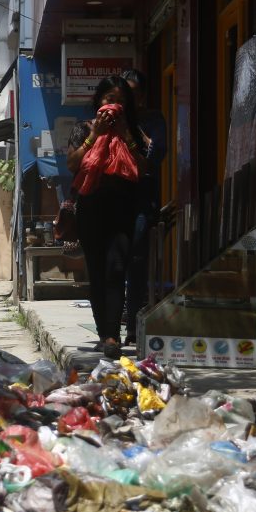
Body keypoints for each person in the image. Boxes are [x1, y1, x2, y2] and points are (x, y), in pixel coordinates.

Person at [66, 75, 150, 358]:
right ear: (99, 101)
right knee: (97, 272)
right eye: (109, 99)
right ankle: (104, 333)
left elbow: (142, 169)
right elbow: (72, 164)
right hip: (91, 208)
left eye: (121, 101)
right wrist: (96, 136)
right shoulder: (83, 129)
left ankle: (113, 336)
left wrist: (127, 137)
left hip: (123, 208)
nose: (115, 106)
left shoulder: (133, 131)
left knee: (116, 269)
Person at [121, 69, 168, 345]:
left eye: (134, 94)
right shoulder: (112, 119)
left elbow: (155, 154)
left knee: (137, 254)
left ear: (142, 95)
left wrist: (133, 128)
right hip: (116, 196)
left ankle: (133, 322)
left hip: (142, 197)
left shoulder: (153, 119)